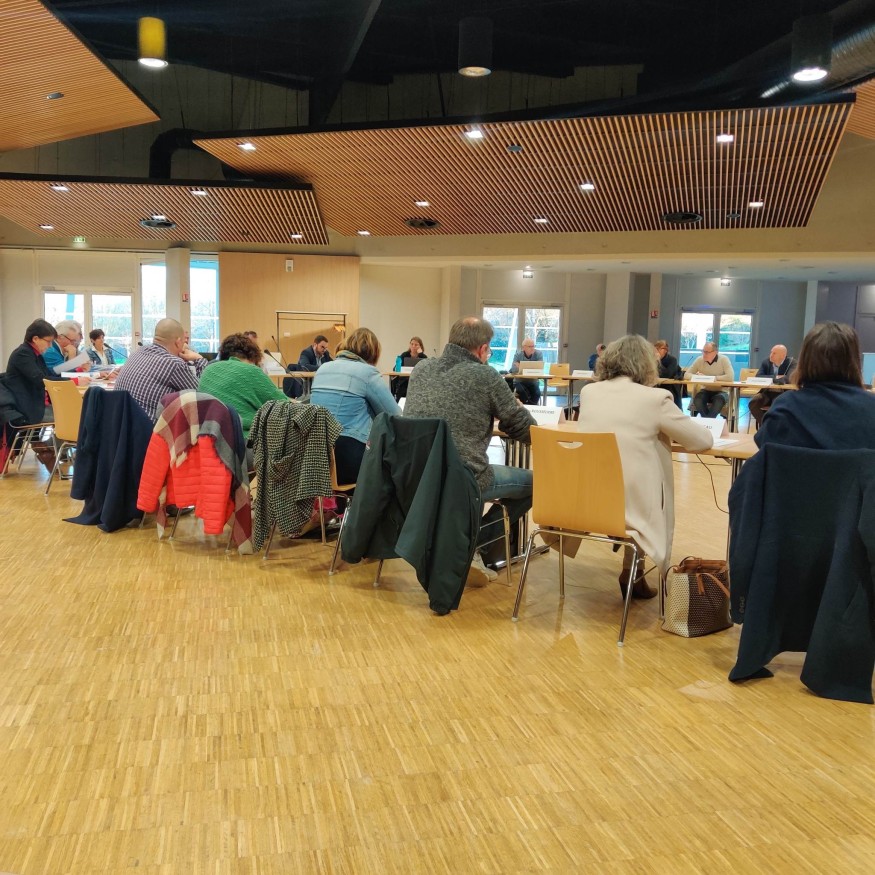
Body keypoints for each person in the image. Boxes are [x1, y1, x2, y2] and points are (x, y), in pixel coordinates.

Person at [577, 335, 713, 597]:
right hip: (631, 505)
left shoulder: (589, 392)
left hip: (588, 498)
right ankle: (633, 571)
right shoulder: (655, 399)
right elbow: (701, 440)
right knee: (641, 486)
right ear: (647, 364)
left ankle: (633, 571)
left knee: (629, 480)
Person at [405, 316, 536, 586]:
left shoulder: (421, 369)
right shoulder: (486, 375)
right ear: (483, 349)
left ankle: (459, 544)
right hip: (465, 478)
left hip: (418, 475)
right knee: (536, 483)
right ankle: (473, 546)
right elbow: (522, 427)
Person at [754, 322, 875, 450]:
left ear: (805, 361)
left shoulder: (784, 408)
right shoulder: (871, 407)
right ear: (855, 361)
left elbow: (765, 450)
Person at [309, 327, 400, 483]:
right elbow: (394, 416)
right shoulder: (367, 373)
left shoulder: (323, 369)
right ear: (374, 352)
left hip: (316, 459)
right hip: (348, 459)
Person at [197, 333, 288, 441]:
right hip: (243, 441)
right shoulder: (251, 371)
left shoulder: (208, 369)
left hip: (208, 438)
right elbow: (285, 405)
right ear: (253, 356)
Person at [115, 318, 207, 422]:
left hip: (120, 425)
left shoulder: (136, 353)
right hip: (148, 429)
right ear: (178, 342)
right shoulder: (174, 363)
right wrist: (199, 359)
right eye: (183, 342)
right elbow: (204, 396)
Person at [0, 319, 63, 470]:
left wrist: (75, 377)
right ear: (35, 339)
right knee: (74, 418)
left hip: (36, 404)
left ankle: (45, 449)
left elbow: (48, 375)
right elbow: (40, 379)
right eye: (48, 341)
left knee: (74, 415)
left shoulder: (35, 354)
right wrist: (74, 381)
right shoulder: (22, 354)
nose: (50, 346)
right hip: (27, 409)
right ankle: (46, 449)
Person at [747, 344, 797, 427]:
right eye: (771, 352)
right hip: (767, 393)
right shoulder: (766, 362)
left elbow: (788, 379)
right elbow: (758, 377)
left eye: (774, 353)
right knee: (753, 403)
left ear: (783, 355)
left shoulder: (792, 363)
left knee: (777, 403)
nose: (771, 355)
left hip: (783, 394)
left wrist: (769, 378)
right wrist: (776, 377)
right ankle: (766, 426)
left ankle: (776, 428)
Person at [684, 341, 735, 417]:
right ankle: (709, 422)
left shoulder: (724, 359)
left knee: (718, 401)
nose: (704, 354)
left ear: (715, 352)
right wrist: (699, 377)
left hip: (721, 391)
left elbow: (730, 377)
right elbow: (686, 375)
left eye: (707, 352)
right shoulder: (699, 360)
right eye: (703, 351)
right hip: (705, 390)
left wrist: (713, 378)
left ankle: (707, 422)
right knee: (698, 400)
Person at [390, 336, 428, 400]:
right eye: (412, 344)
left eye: (416, 345)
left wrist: (421, 354)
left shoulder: (423, 357)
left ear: (420, 346)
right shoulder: (405, 355)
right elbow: (396, 368)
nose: (413, 346)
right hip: (405, 381)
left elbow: (427, 369)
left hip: (418, 382)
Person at [510, 337, 543, 405]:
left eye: (533, 346)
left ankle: (531, 407)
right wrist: (532, 367)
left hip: (533, 381)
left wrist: (521, 366)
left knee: (537, 393)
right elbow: (513, 369)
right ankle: (527, 407)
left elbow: (540, 368)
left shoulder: (538, 354)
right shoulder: (518, 355)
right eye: (530, 346)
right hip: (520, 381)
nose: (532, 348)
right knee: (522, 392)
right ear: (524, 347)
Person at [654, 340, 683, 409]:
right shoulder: (651, 359)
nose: (656, 351)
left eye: (659, 348)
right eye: (656, 348)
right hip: (656, 386)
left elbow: (667, 375)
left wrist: (658, 361)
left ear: (666, 350)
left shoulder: (672, 360)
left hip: (669, 387)